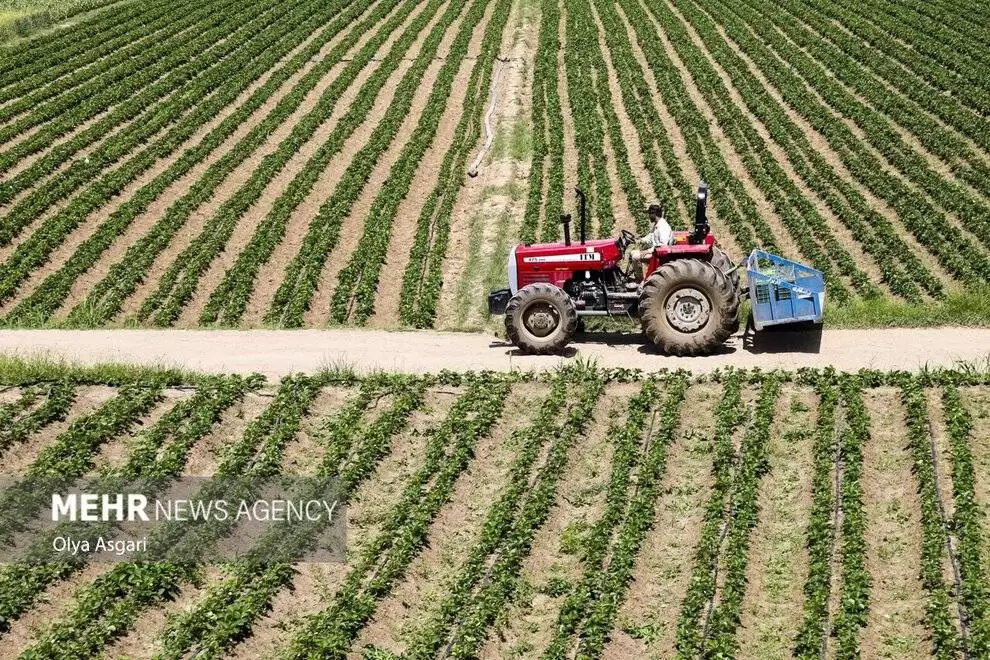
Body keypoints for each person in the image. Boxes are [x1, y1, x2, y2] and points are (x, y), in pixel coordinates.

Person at [627, 203, 673, 283]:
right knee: (632, 253)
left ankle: (640, 280)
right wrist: (639, 240)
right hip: (655, 251)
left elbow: (662, 245)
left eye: (649, 214)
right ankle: (630, 276)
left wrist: (648, 251)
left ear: (654, 214)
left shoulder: (663, 227)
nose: (648, 217)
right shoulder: (657, 225)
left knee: (635, 256)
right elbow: (650, 237)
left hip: (659, 255)